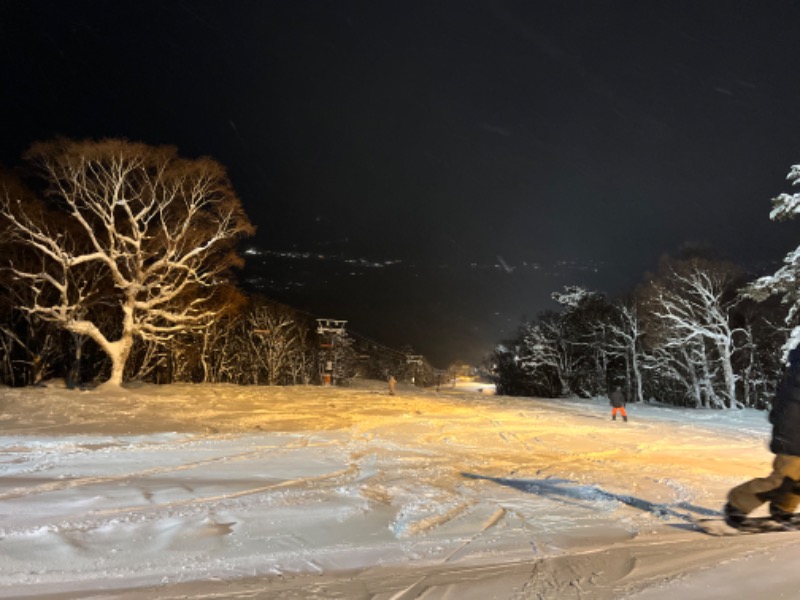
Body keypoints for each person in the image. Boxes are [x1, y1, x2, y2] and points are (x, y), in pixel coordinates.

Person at [724, 344, 800, 528]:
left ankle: (783, 509)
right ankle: (737, 503)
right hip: (793, 435)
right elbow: (788, 405)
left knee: (796, 479)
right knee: (783, 480)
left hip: (792, 431)